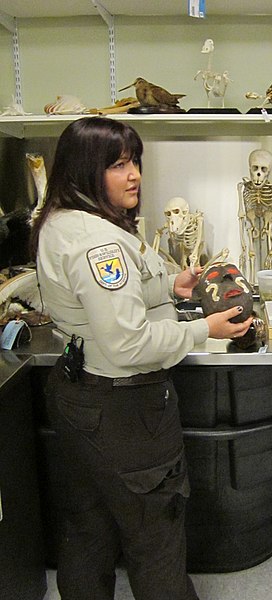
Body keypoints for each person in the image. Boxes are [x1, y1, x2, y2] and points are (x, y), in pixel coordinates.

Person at [30, 116, 253, 600]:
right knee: (156, 538)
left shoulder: (61, 223)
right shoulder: (100, 242)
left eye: (135, 162)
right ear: (85, 171)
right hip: (125, 414)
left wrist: (168, 285)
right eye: (118, 165)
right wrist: (203, 329)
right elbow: (127, 344)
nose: (134, 175)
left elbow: (104, 297)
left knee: (88, 529)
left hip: (77, 396)